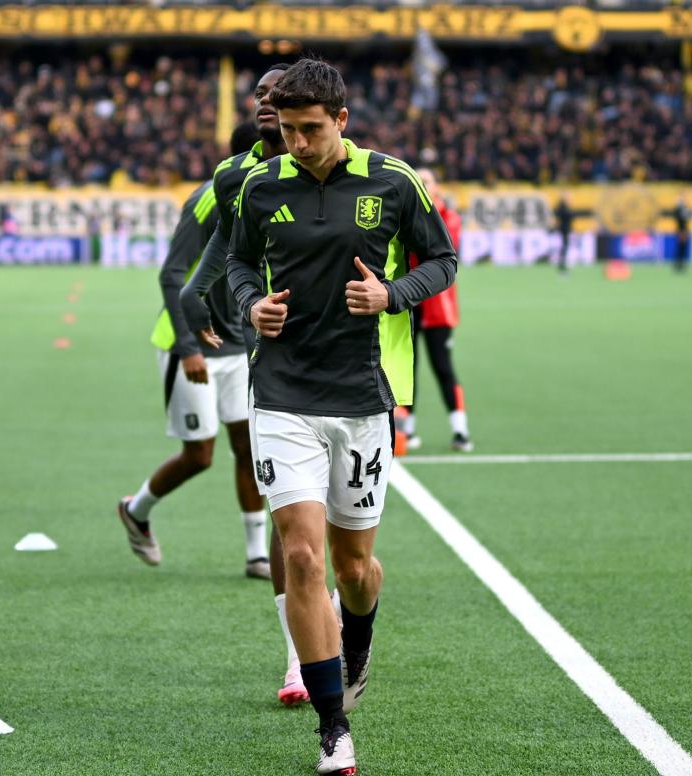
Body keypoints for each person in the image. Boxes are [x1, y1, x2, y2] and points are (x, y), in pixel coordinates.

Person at [225, 59, 456, 774]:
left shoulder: (393, 179)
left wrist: (393, 294)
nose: (294, 141)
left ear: (342, 122)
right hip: (283, 393)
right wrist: (248, 308)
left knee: (354, 567)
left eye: (309, 129)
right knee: (299, 553)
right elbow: (235, 268)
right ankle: (332, 727)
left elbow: (442, 260)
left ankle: (356, 641)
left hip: (360, 397)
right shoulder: (259, 187)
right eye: (286, 129)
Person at [177, 65, 309, 707]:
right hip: (274, 366)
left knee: (350, 546)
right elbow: (229, 251)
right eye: (259, 95)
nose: (264, 102)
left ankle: (343, 641)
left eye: (276, 95)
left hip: (349, 365)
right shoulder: (236, 177)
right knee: (295, 526)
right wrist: (198, 296)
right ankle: (299, 660)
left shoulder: (364, 175)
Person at [117, 122, 264, 579]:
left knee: (248, 446)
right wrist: (189, 347)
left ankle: (257, 552)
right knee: (200, 454)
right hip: (191, 346)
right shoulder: (208, 199)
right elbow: (172, 274)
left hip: (238, 344)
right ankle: (136, 509)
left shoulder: (275, 191)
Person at [395, 169, 472, 453]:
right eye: (419, 181)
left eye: (426, 182)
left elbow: (441, 248)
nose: (422, 186)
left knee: (443, 367)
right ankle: (408, 430)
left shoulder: (448, 216)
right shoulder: (408, 211)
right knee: (407, 368)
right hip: (411, 302)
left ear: (436, 187)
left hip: (439, 307)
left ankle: (460, 430)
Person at [553, 193, 573, 275]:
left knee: (564, 247)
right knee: (564, 247)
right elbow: (567, 216)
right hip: (564, 230)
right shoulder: (563, 207)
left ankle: (562, 263)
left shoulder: (563, 207)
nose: (570, 199)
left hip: (565, 230)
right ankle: (562, 264)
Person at [673, 194, 690, 273]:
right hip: (680, 231)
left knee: (683, 248)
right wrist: (680, 232)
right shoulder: (678, 209)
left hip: (684, 231)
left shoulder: (685, 208)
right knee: (679, 248)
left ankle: (682, 263)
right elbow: (678, 220)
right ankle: (677, 264)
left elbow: (686, 220)